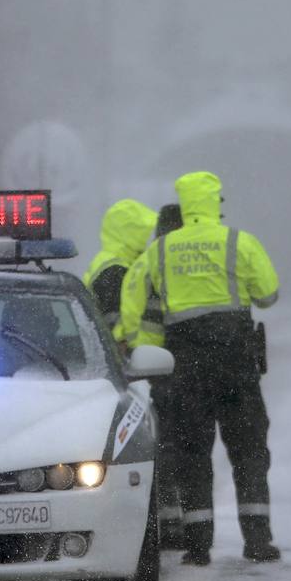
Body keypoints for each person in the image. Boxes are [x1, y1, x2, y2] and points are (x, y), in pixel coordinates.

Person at [121, 172, 280, 565]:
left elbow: (133, 294)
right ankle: (257, 542)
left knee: (193, 452)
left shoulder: (159, 251)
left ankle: (197, 546)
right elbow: (268, 294)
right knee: (248, 450)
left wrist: (125, 337)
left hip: (187, 364)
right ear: (215, 204)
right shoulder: (238, 242)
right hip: (236, 364)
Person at [120, 204, 186, 548]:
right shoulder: (180, 263)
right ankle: (184, 525)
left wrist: (136, 351)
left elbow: (137, 317)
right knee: (186, 446)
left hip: (156, 367)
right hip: (180, 365)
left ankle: (172, 523)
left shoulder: (152, 261)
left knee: (168, 445)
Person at [83, 199, 157, 338]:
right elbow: (113, 320)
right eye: (142, 231)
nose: (146, 238)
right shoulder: (115, 270)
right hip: (116, 349)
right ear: (129, 232)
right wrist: (120, 345)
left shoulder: (105, 261)